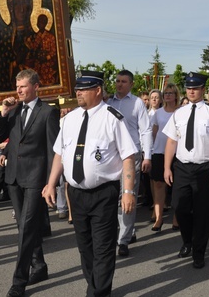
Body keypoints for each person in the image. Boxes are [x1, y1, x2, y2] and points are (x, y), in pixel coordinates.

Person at [42, 70, 137, 297]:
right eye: (77, 89)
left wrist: (128, 191)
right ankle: (94, 285)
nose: (78, 93)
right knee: (85, 247)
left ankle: (98, 292)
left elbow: (128, 156)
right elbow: (59, 154)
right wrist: (51, 182)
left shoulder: (111, 118)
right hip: (76, 193)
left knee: (103, 248)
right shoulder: (69, 119)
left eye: (83, 89)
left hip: (103, 192)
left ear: (97, 91)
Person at [0, 69, 60, 297]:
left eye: (23, 86)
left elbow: (54, 150)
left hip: (35, 177)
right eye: (17, 86)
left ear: (36, 87)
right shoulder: (13, 111)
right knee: (23, 227)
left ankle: (19, 281)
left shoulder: (48, 112)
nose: (18, 90)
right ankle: (39, 266)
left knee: (28, 227)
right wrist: (3, 113)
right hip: (13, 176)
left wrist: (52, 182)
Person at [163, 71, 209, 269]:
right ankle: (187, 241)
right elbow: (172, 141)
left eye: (195, 88)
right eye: (189, 87)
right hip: (181, 167)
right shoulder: (178, 114)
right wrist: (167, 167)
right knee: (179, 206)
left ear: (202, 90)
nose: (191, 91)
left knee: (202, 213)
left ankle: (199, 252)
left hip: (205, 168)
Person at [107, 70, 152, 257]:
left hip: (131, 155)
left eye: (124, 81)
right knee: (114, 197)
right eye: (117, 81)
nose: (119, 84)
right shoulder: (107, 103)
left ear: (131, 84)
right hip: (112, 156)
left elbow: (146, 130)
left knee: (128, 194)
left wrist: (147, 156)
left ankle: (123, 239)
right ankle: (125, 230)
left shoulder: (137, 103)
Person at [149, 83, 179, 231]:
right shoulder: (158, 113)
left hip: (177, 153)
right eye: (165, 93)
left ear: (175, 96)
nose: (167, 95)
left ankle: (176, 217)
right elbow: (153, 133)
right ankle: (159, 218)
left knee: (176, 187)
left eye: (170, 93)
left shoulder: (181, 112)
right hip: (159, 152)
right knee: (159, 185)